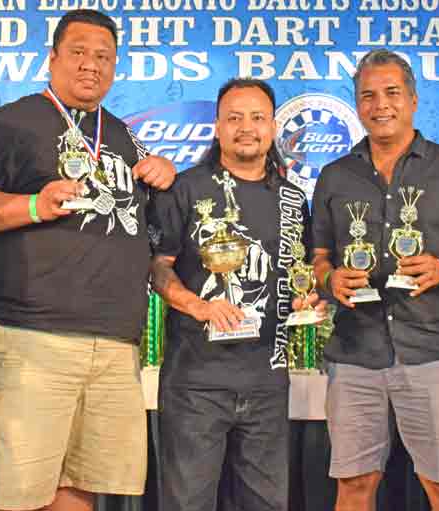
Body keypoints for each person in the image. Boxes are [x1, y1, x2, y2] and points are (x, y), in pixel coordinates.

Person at [0, 9, 176, 511]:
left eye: (103, 56)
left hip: (113, 341)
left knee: (78, 489)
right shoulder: (13, 121)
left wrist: (163, 171)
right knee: (7, 495)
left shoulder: (121, 135)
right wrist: (31, 205)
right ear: (52, 58)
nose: (91, 64)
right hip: (28, 333)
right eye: (79, 52)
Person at [310, 49, 439, 511]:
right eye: (368, 95)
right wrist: (331, 280)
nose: (380, 105)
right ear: (357, 105)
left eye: (392, 92)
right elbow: (318, 259)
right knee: (353, 485)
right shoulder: (335, 176)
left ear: (413, 100)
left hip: (433, 351)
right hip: (355, 353)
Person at [148, 78, 323, 511]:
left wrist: (304, 300)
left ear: (273, 127)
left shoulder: (292, 199)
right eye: (234, 118)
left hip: (267, 382)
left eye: (258, 118)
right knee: (187, 505)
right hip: (195, 384)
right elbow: (156, 266)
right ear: (217, 127)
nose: (247, 127)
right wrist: (197, 306)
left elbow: (298, 274)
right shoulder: (185, 189)